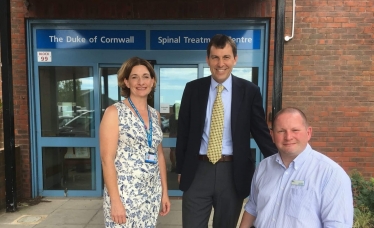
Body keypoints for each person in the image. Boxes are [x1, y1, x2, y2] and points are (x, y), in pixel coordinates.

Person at [176, 34, 278, 228]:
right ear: (207, 60)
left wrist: (282, 163)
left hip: (233, 172)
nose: (220, 63)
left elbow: (261, 133)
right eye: (215, 57)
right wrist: (180, 168)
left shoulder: (250, 91)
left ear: (235, 59)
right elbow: (184, 132)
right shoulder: (192, 89)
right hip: (197, 169)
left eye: (226, 57)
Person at [239, 107, 354, 228]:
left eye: (295, 130)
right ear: (272, 135)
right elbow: (252, 207)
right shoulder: (264, 166)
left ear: (308, 133)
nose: (288, 137)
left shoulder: (330, 174)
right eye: (281, 131)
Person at [100, 57, 170, 227]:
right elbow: (106, 160)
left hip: (150, 194)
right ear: (126, 81)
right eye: (134, 77)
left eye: (146, 76)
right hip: (124, 195)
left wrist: (164, 192)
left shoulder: (155, 115)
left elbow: (159, 154)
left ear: (153, 81)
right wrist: (115, 201)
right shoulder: (114, 112)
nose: (141, 82)